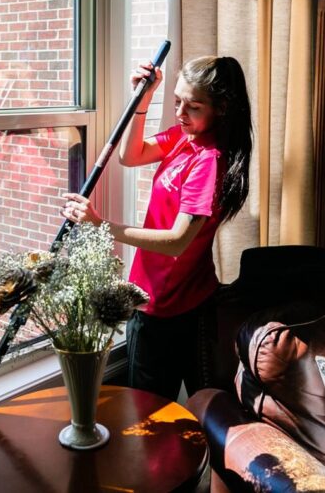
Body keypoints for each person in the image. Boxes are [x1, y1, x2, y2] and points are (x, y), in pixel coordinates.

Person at [61, 55, 253, 401]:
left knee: (149, 413)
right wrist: (143, 98)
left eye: (193, 106)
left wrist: (100, 224)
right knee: (157, 411)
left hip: (169, 308)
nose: (180, 113)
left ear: (222, 108)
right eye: (177, 101)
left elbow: (177, 242)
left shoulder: (208, 161)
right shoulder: (184, 139)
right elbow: (130, 155)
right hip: (172, 296)